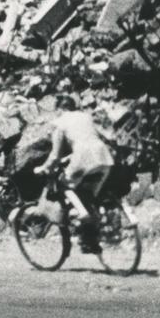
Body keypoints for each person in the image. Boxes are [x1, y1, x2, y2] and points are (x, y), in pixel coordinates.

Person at [36, 99, 115, 254]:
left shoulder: (60, 123)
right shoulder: (86, 117)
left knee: (64, 184)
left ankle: (82, 214)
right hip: (103, 156)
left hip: (83, 157)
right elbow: (101, 137)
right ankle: (89, 237)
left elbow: (55, 155)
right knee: (88, 196)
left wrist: (42, 168)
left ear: (59, 109)